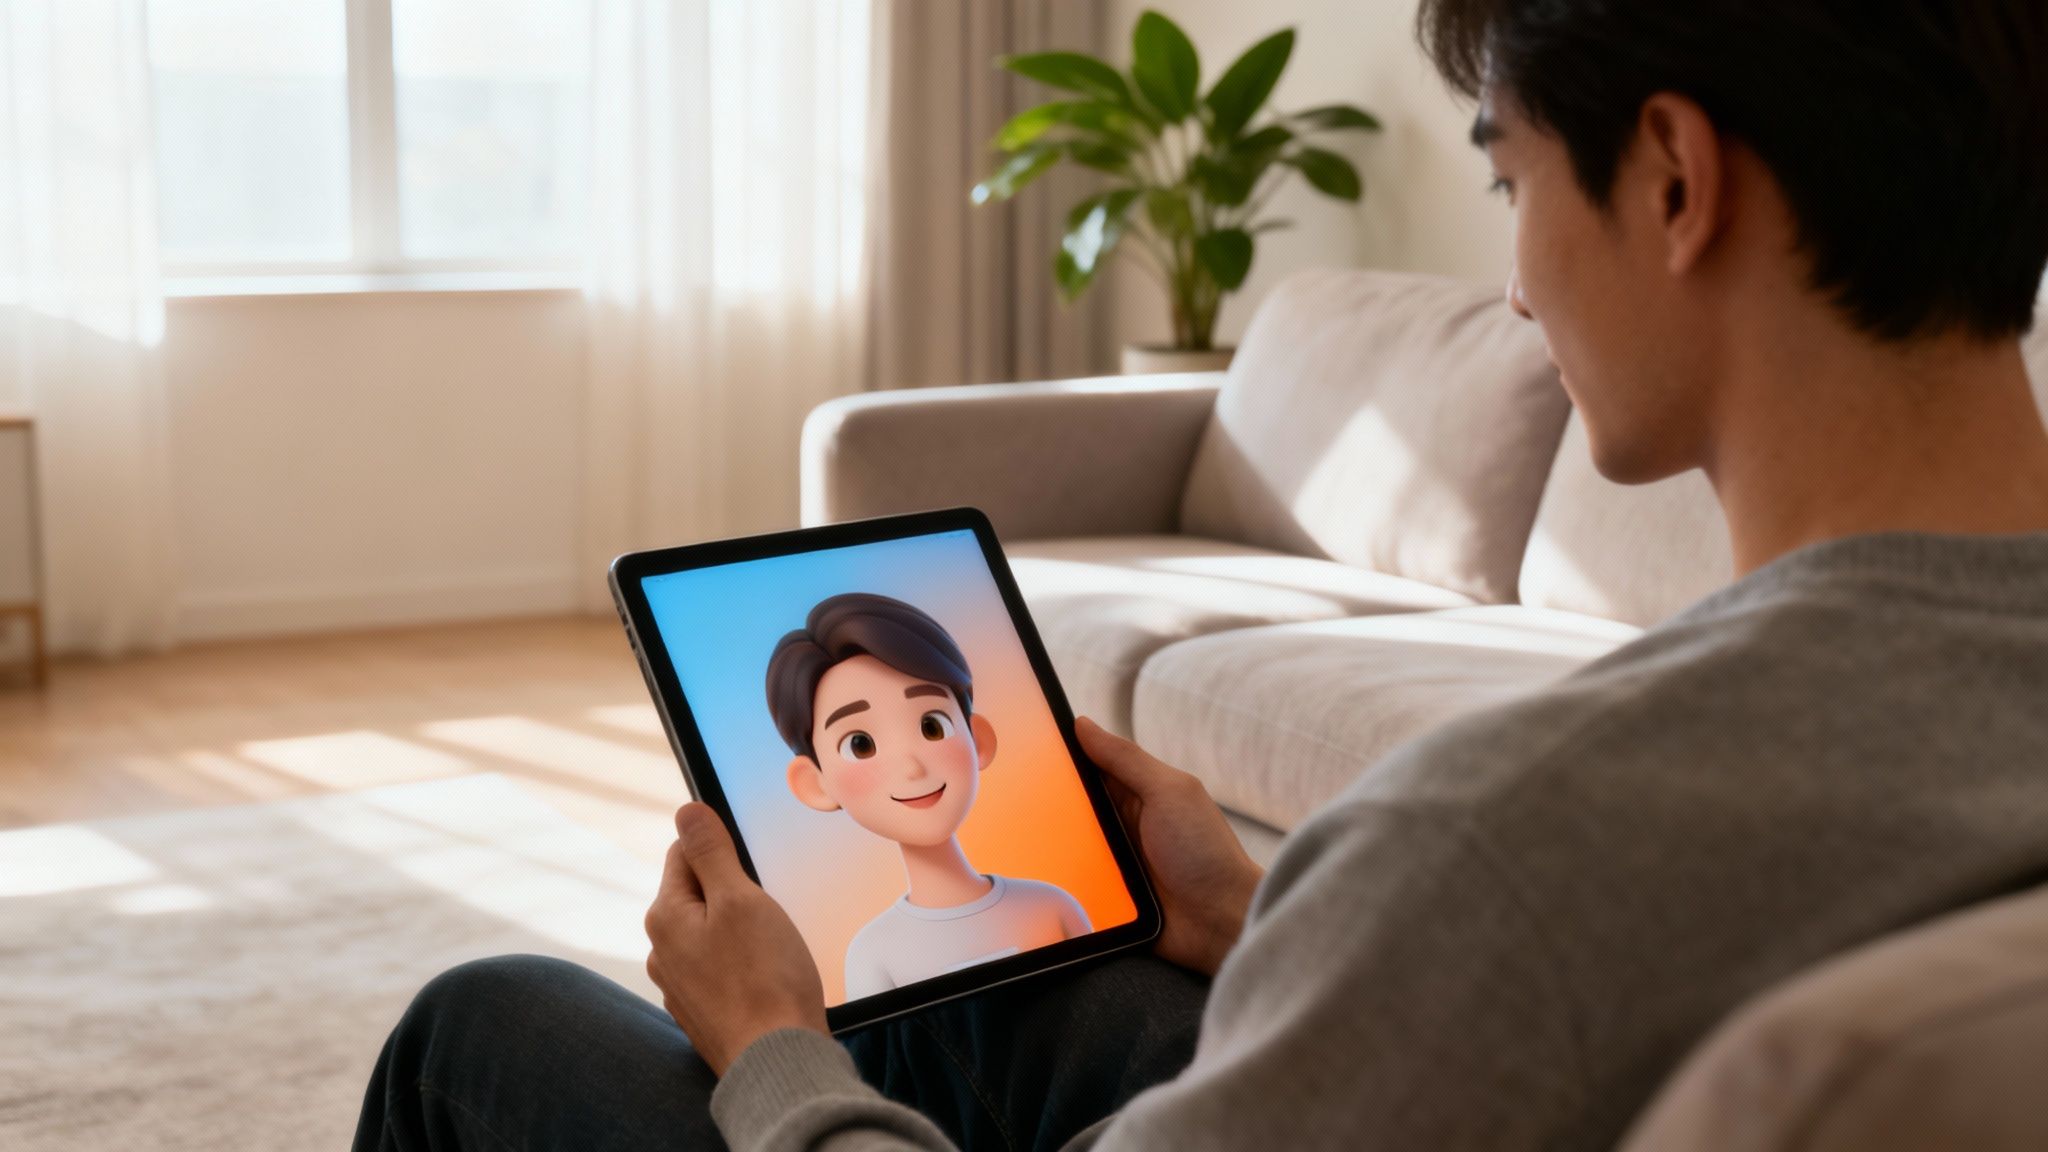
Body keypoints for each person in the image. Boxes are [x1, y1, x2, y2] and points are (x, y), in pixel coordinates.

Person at [353, 2, 2048, 1149]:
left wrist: (775, 1042)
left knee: (485, 1018)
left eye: (1511, 180)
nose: (1516, 292)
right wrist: (1257, 917)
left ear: (1672, 181)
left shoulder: (1511, 837)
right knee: (1052, 986)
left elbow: (1522, 939)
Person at [764, 592, 1090, 998]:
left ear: (978, 739)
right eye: (860, 744)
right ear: (815, 784)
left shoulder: (1052, 907)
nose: (912, 768)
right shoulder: (874, 954)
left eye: (932, 726)